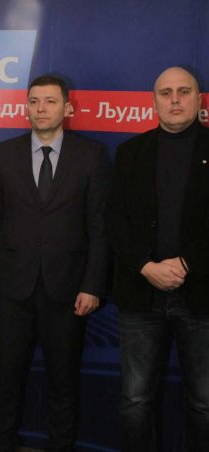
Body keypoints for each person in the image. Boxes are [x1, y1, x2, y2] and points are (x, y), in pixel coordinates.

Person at [0, 75, 109, 451]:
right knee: (4, 381)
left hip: (68, 289)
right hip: (10, 289)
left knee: (63, 383)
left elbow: (100, 226)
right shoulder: (4, 154)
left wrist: (92, 285)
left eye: (50, 101)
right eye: (34, 101)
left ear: (67, 107)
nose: (41, 108)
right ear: (26, 107)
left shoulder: (91, 155)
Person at [105, 66, 209, 452]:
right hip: (141, 295)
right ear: (154, 101)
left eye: (184, 91)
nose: (175, 99)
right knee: (135, 401)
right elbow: (114, 219)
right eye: (166, 93)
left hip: (201, 296)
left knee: (204, 403)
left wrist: (187, 264)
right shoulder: (130, 152)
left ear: (199, 99)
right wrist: (146, 266)